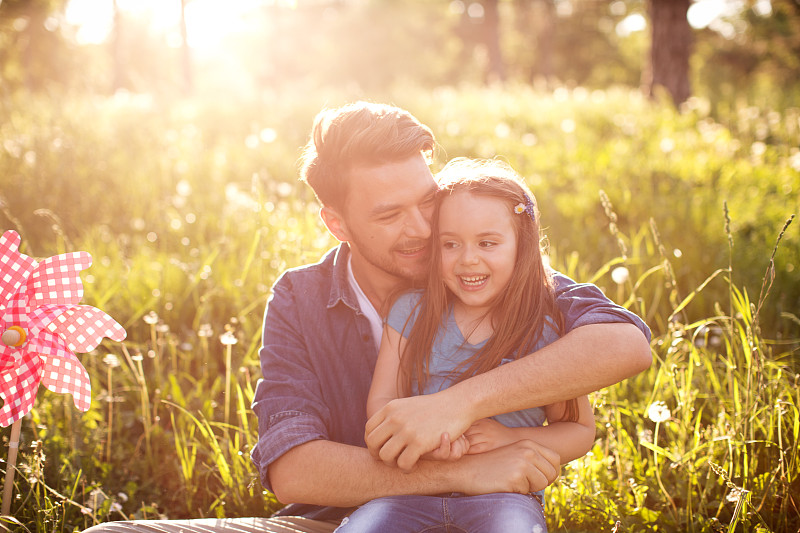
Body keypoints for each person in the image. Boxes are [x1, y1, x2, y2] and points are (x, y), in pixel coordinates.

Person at [82, 102, 650, 533]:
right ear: (337, 223)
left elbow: (625, 345)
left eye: (427, 201)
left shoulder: (490, 274)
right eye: (390, 214)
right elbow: (295, 472)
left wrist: (458, 406)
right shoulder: (300, 299)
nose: (425, 230)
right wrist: (460, 472)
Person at [335, 158, 597, 533]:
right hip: (406, 491)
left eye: (487, 242)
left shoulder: (541, 329)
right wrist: (419, 437)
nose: (468, 259)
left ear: (521, 245)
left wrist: (510, 438)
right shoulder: (410, 311)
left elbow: (578, 431)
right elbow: (380, 406)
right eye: (451, 244)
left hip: (504, 495)